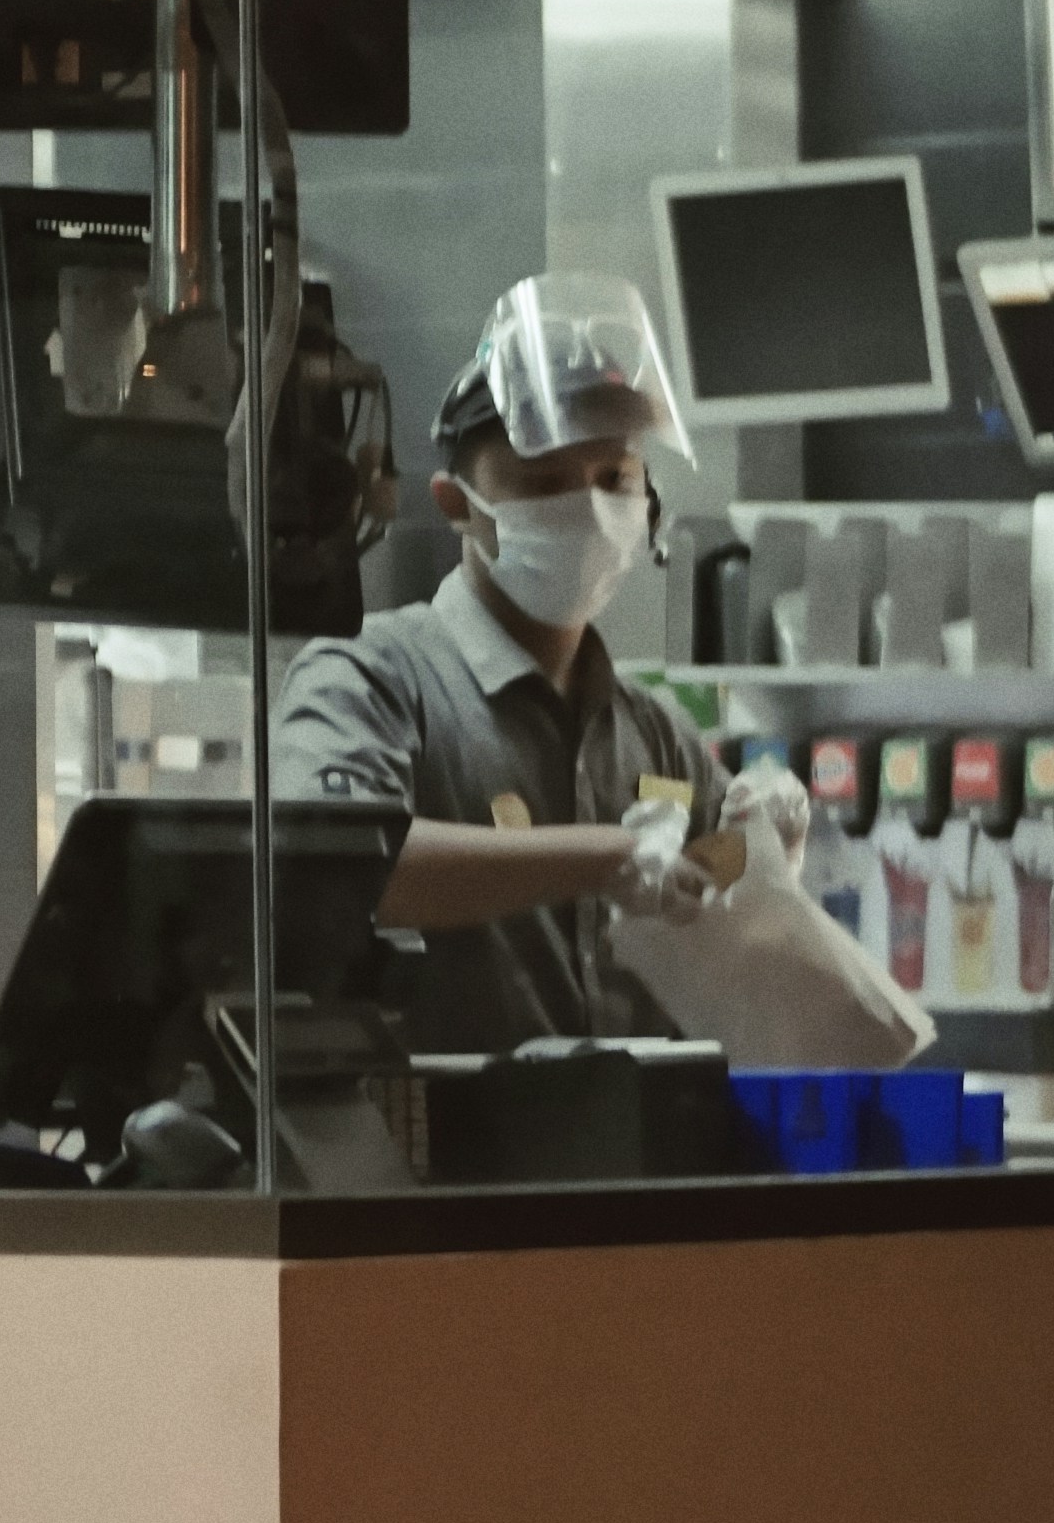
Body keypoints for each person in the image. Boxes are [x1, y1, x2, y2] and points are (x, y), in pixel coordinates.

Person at [277, 270, 731, 1049]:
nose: (588, 507)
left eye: (613, 479)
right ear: (456, 503)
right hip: (439, 1156)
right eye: (545, 482)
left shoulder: (652, 732)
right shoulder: (373, 680)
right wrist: (605, 856)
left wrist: (766, 837)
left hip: (626, 1158)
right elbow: (349, 867)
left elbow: (723, 868)